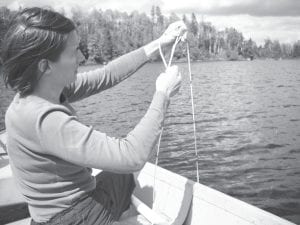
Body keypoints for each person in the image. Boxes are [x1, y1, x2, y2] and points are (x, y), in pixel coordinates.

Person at [1, 7, 185, 225]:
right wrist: (163, 95)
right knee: (123, 173)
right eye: (74, 51)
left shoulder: (39, 91)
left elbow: (107, 75)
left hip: (53, 217)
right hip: (73, 218)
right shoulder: (43, 118)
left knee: (117, 176)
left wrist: (161, 42)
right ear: (45, 65)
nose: (82, 56)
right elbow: (131, 156)